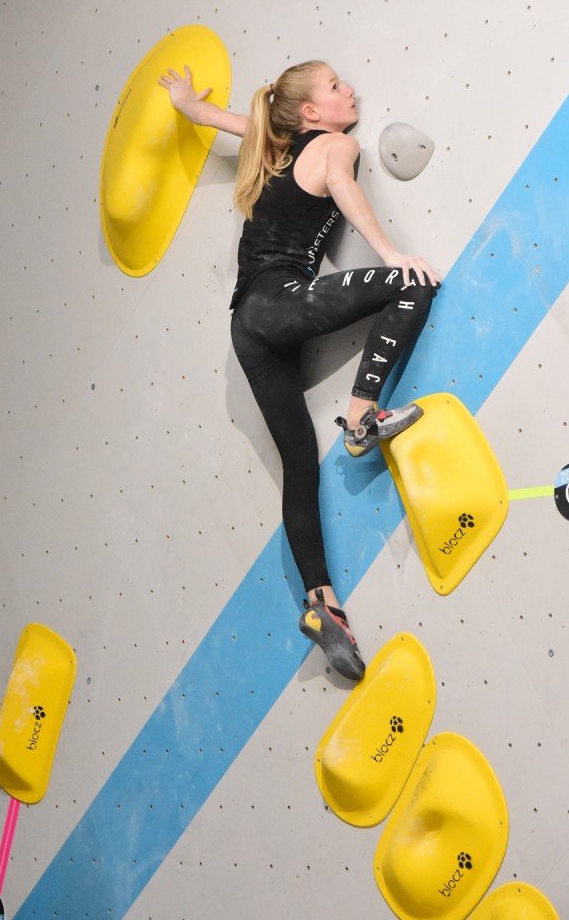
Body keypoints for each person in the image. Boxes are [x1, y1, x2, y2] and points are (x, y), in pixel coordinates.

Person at [159, 60, 439, 680]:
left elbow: (230, 120)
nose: (350, 91)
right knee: (412, 286)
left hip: (249, 327)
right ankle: (362, 418)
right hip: (278, 305)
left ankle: (322, 604)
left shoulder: (278, 143)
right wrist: (391, 252)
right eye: (336, 87)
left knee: (300, 464)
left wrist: (190, 107)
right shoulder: (335, 144)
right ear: (312, 113)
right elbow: (343, 186)